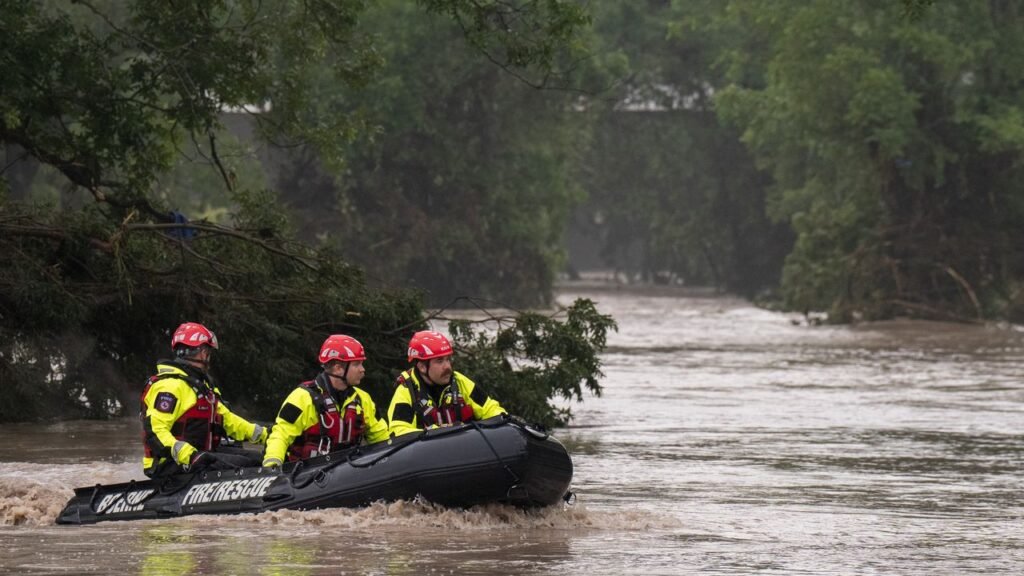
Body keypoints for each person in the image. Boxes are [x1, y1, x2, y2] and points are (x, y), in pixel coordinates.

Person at [140, 322, 268, 477]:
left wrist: (265, 435)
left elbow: (228, 421)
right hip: (172, 463)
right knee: (251, 465)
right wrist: (190, 455)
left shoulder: (202, 387)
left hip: (200, 455)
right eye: (208, 352)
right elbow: (155, 431)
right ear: (202, 352)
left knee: (260, 459)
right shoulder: (170, 386)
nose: (209, 357)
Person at [262, 334, 389, 468]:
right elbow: (281, 434)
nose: (363, 370)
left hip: (349, 473)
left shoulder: (363, 400)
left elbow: (382, 437)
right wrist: (273, 463)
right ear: (338, 368)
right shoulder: (303, 397)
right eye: (357, 364)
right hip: (305, 476)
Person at [387, 330, 506, 438]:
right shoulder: (406, 392)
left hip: (466, 449)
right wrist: (434, 432)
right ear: (422, 367)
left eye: (448, 359)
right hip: (429, 457)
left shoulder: (459, 381)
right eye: (439, 361)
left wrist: (503, 419)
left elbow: (489, 408)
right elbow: (399, 431)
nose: (448, 367)